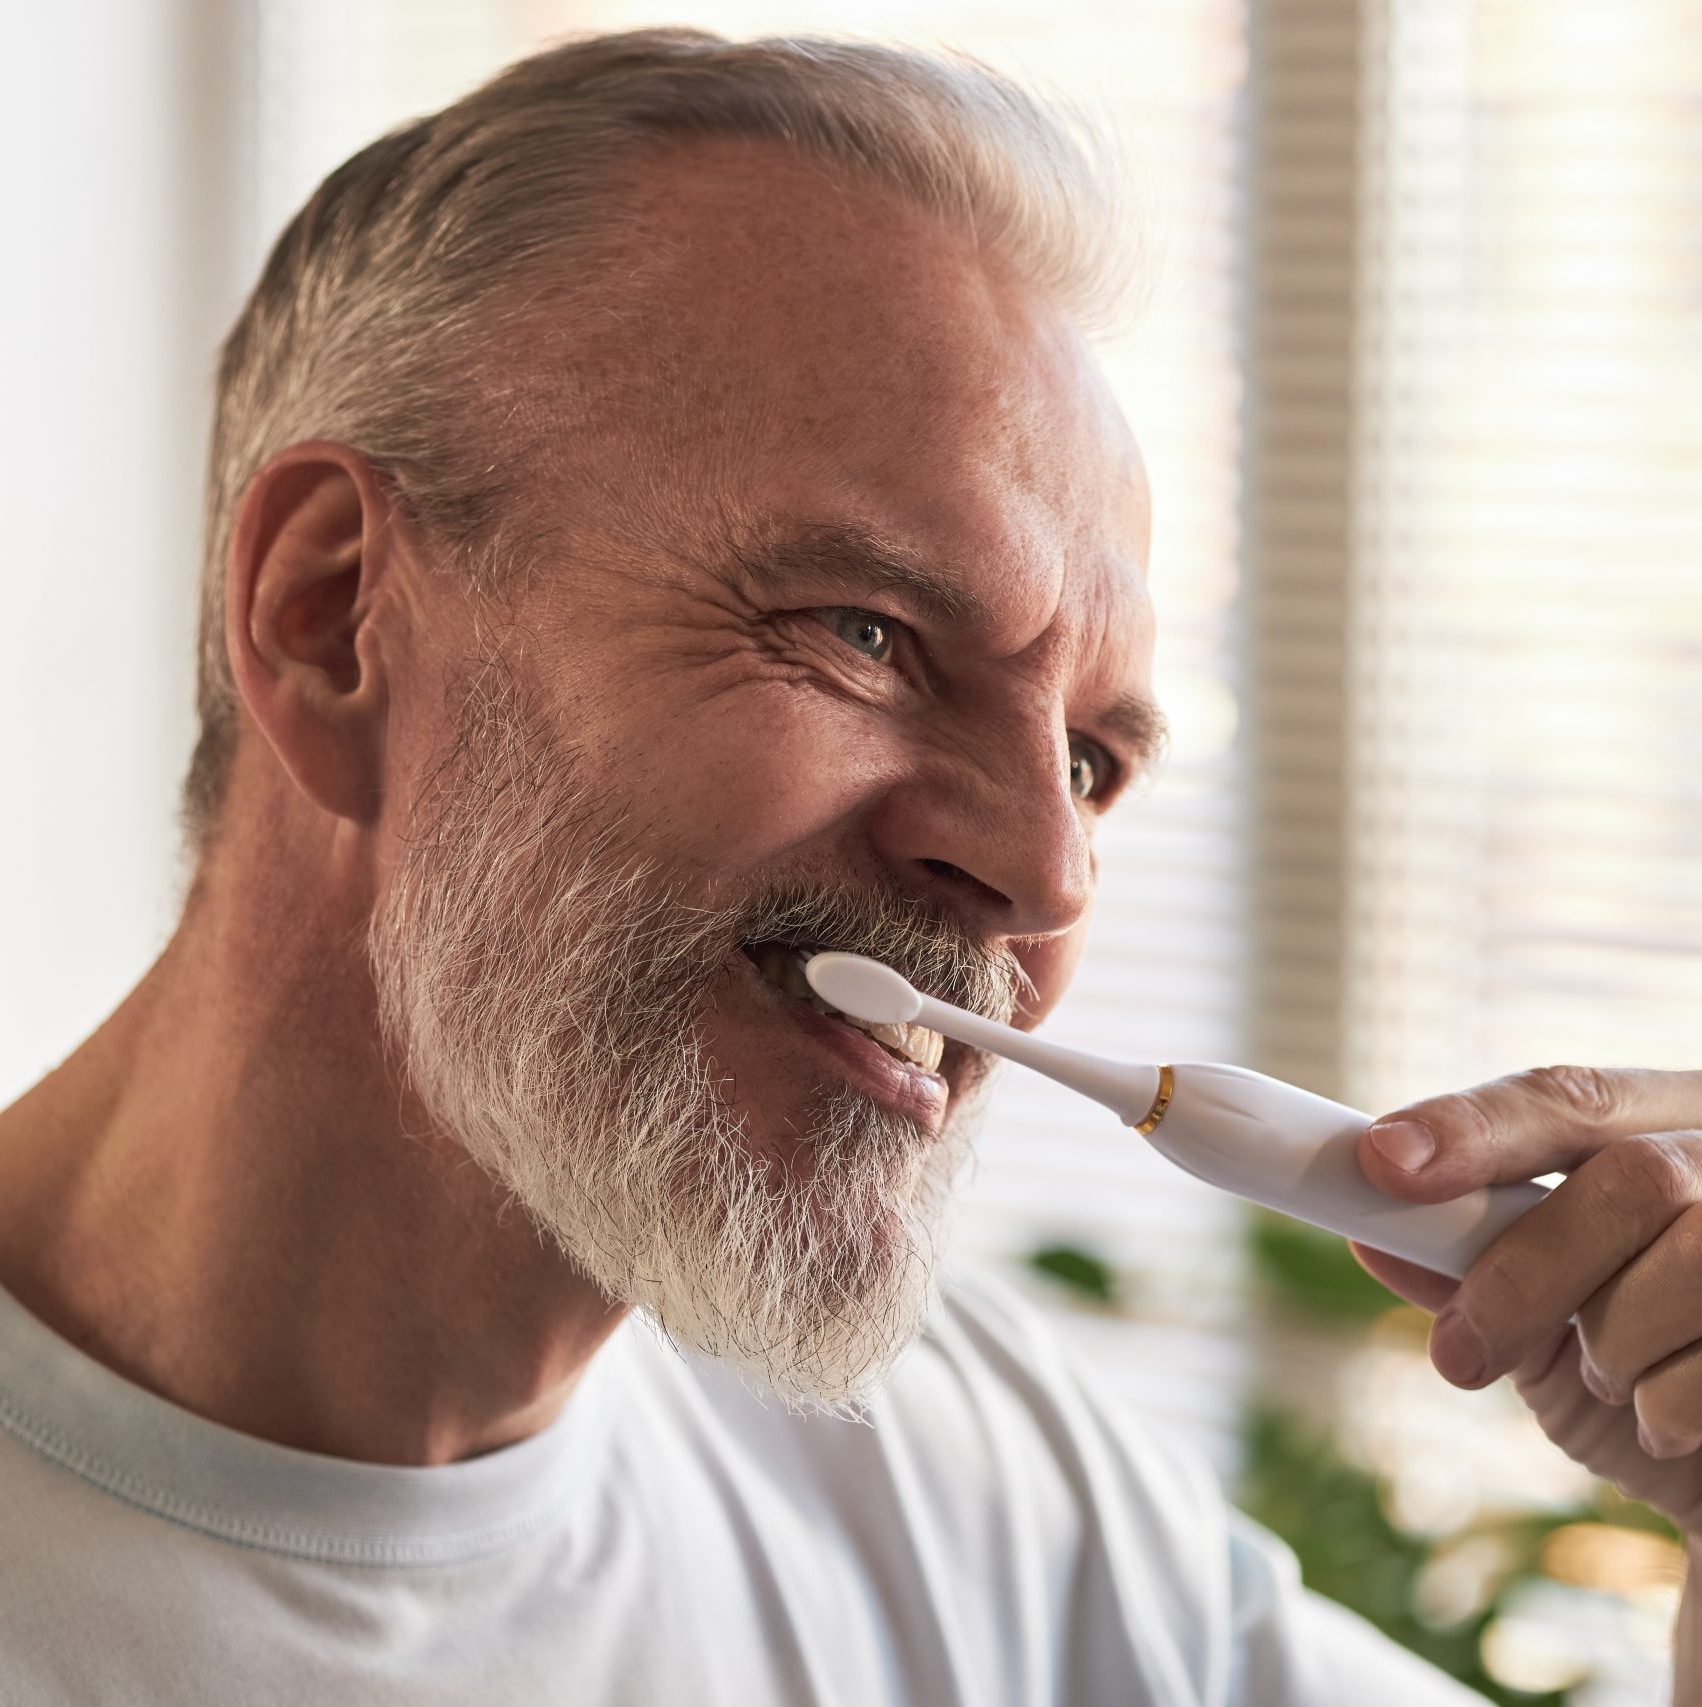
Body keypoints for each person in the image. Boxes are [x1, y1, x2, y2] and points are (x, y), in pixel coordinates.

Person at [1, 28, 1697, 1704]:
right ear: (328, 622)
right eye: (865, 631)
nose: (1045, 878)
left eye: (1094, 766)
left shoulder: (976, 1491)